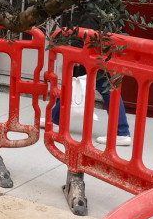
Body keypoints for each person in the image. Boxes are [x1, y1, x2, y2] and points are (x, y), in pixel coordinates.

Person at [50, 8, 132, 146]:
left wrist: (76, 53)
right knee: (78, 83)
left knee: (98, 85)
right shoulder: (109, 3)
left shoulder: (92, 4)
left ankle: (121, 131)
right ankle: (55, 119)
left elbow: (85, 31)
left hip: (94, 52)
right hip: (104, 50)